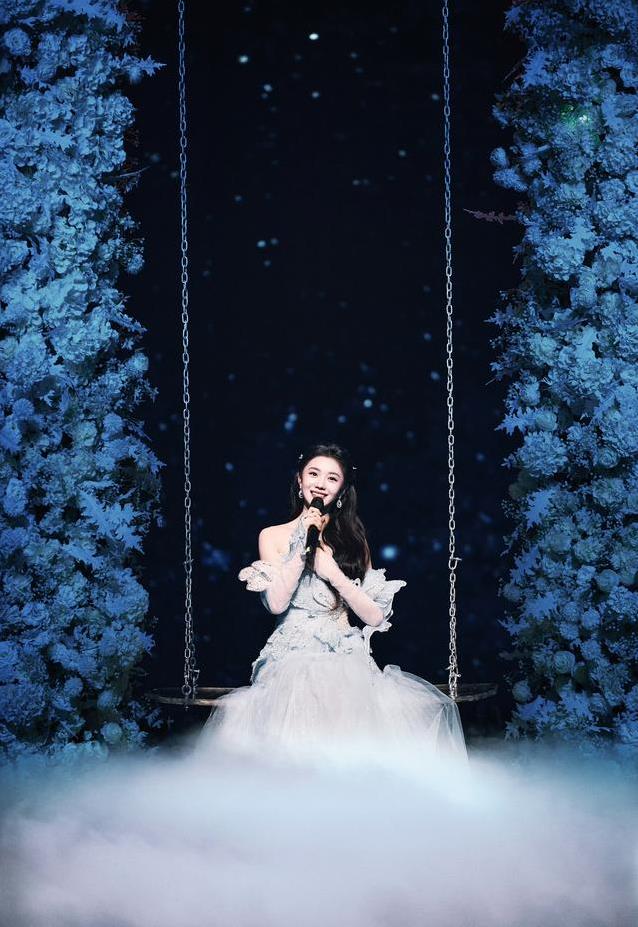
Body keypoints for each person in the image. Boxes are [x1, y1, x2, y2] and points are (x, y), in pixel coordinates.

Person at [193, 443, 468, 771]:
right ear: (300, 481)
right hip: (291, 659)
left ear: (341, 491)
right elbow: (276, 604)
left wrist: (332, 572)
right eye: (314, 474)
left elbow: (375, 616)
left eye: (332, 478)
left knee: (354, 750)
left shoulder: (354, 541)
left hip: (346, 656)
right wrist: (303, 545)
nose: (321, 483)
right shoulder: (272, 536)